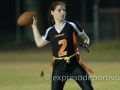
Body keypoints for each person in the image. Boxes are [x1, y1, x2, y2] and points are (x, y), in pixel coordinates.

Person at [31, 1, 94, 90]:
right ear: (52, 12)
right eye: (59, 10)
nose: (62, 12)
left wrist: (86, 44)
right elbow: (39, 43)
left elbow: (86, 38)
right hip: (59, 69)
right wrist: (34, 26)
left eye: (63, 10)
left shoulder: (72, 25)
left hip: (75, 66)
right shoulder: (50, 31)